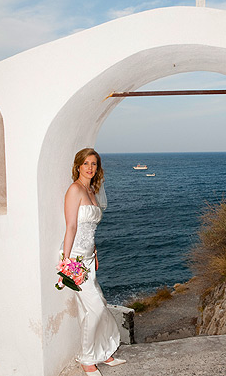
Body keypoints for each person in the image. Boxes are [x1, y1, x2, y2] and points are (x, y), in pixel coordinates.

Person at [62, 148, 126, 376]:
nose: (90, 167)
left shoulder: (92, 190)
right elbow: (71, 227)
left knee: (97, 304)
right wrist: (66, 262)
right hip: (76, 259)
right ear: (78, 166)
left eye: (94, 164)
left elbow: (90, 229)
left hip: (89, 257)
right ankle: (87, 358)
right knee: (96, 308)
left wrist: (95, 252)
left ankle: (103, 351)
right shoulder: (75, 190)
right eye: (86, 163)